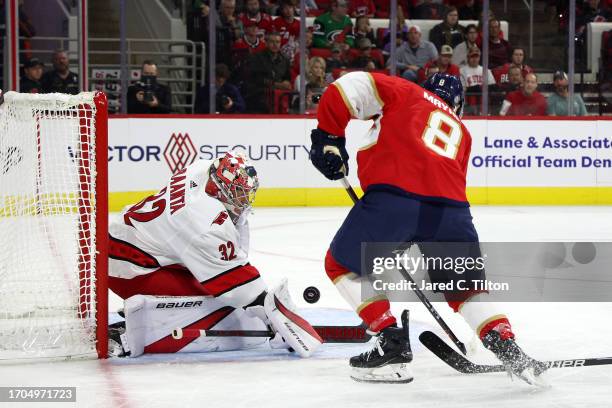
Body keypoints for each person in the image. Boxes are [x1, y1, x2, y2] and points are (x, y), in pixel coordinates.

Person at [309, 71, 547, 385]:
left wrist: (328, 138)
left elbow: (344, 88)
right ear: (459, 105)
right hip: (452, 214)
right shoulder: (463, 132)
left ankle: (389, 339)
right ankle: (506, 345)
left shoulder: (404, 91)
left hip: (395, 201)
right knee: (467, 288)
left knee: (341, 263)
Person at [107, 151, 322, 358]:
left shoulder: (202, 169)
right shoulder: (205, 224)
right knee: (218, 300)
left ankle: (150, 313)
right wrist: (273, 318)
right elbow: (239, 287)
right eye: (239, 192)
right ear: (221, 189)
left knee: (213, 285)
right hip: (128, 268)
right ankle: (133, 335)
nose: (245, 198)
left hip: (129, 242)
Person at [244, 32, 292, 113]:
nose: (275, 44)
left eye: (277, 42)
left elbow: (287, 77)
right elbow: (255, 78)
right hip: (259, 96)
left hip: (278, 96)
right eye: (272, 42)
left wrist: (286, 82)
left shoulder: (285, 60)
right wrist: (277, 85)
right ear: (266, 43)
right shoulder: (257, 58)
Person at [459, 47, 496, 114]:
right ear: (468, 57)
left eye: (476, 57)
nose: (474, 59)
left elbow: (492, 87)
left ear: (479, 57)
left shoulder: (486, 71)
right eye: (472, 57)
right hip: (468, 101)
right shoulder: (462, 71)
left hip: (484, 102)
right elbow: (462, 89)